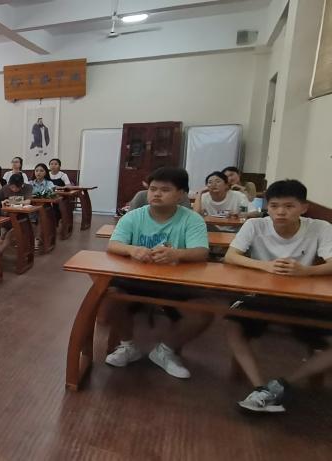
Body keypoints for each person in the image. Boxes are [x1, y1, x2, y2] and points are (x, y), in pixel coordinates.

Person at [222, 180, 332, 413]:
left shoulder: (319, 227)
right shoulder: (255, 225)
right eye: (274, 206)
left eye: (289, 206)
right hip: (260, 295)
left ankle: (282, 384)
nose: (281, 212)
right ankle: (259, 387)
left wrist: (306, 271)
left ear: (303, 207)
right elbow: (231, 256)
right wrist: (265, 266)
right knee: (232, 325)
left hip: (303, 298)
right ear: (267, 206)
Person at [103, 166, 214, 379]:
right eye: (153, 189)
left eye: (165, 190)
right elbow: (113, 244)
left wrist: (177, 254)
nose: (156, 194)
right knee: (108, 298)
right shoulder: (134, 216)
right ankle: (128, 346)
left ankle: (165, 351)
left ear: (181, 194)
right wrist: (132, 249)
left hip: (177, 281)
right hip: (136, 279)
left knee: (203, 312)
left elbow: (201, 252)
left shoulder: (192, 219)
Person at [193, 171, 259, 231]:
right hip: (210, 231)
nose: (214, 184)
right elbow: (194, 216)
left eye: (218, 181)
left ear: (226, 185)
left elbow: (255, 213)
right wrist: (200, 193)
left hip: (233, 232)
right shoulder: (203, 197)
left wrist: (239, 214)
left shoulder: (238, 196)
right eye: (210, 182)